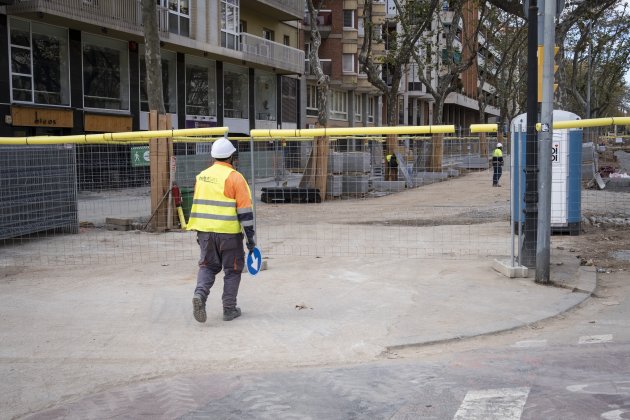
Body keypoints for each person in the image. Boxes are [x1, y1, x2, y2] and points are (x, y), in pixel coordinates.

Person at [187, 137, 256, 323]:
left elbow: (200, 205)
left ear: (213, 157)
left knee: (207, 266)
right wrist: (251, 239)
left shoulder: (201, 177)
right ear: (232, 157)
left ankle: (200, 295)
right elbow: (245, 213)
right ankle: (229, 309)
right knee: (233, 270)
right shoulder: (235, 178)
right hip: (228, 234)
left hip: (204, 233)